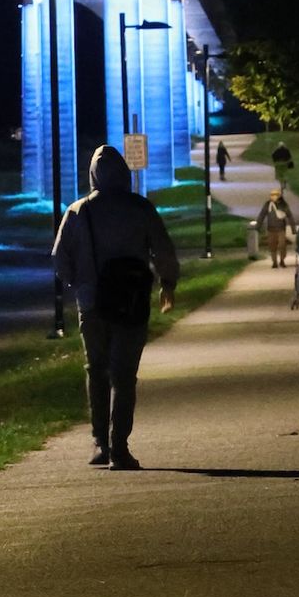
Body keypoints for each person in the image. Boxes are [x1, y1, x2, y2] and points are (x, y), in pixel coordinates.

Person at [52, 144, 179, 471]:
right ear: (124, 173)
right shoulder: (140, 208)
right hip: (131, 302)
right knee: (124, 375)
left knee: (96, 370)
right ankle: (120, 447)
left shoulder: (78, 211)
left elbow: (59, 258)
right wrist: (168, 283)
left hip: (92, 304)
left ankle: (100, 443)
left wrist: (79, 285)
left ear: (92, 175)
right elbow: (163, 250)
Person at [256, 187, 296, 268]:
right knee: (272, 246)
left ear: (279, 196)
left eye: (275, 195)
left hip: (281, 229)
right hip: (271, 229)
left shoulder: (283, 205)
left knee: (282, 245)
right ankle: (274, 262)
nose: (273, 196)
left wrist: (293, 229)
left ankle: (282, 260)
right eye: (272, 195)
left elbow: (290, 216)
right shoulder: (267, 204)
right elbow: (262, 215)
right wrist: (258, 226)